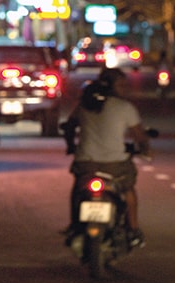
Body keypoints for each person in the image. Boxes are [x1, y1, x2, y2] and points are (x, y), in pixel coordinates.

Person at [62, 67, 151, 247]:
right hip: (115, 165)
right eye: (121, 85)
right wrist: (145, 150)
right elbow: (140, 136)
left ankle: (74, 224)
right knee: (128, 189)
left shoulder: (84, 104)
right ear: (111, 85)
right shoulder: (124, 107)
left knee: (78, 189)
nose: (124, 88)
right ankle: (133, 230)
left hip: (85, 163)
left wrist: (71, 146)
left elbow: (69, 126)